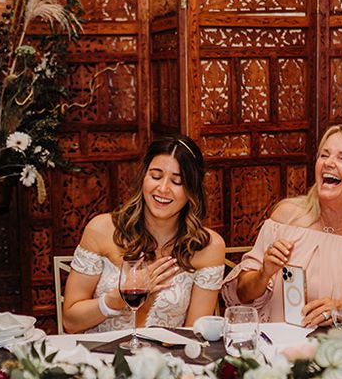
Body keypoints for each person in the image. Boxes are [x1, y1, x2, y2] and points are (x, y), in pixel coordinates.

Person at [222, 123, 342, 326]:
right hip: (276, 349)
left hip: (341, 351)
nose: (328, 163)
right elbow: (242, 294)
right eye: (324, 155)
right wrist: (264, 274)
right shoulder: (286, 219)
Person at [62, 135, 225, 333]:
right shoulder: (101, 229)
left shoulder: (209, 247)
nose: (163, 189)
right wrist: (117, 299)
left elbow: (195, 334)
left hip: (168, 360)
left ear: (192, 190)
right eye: (156, 176)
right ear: (143, 178)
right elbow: (70, 322)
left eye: (177, 181)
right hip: (102, 359)